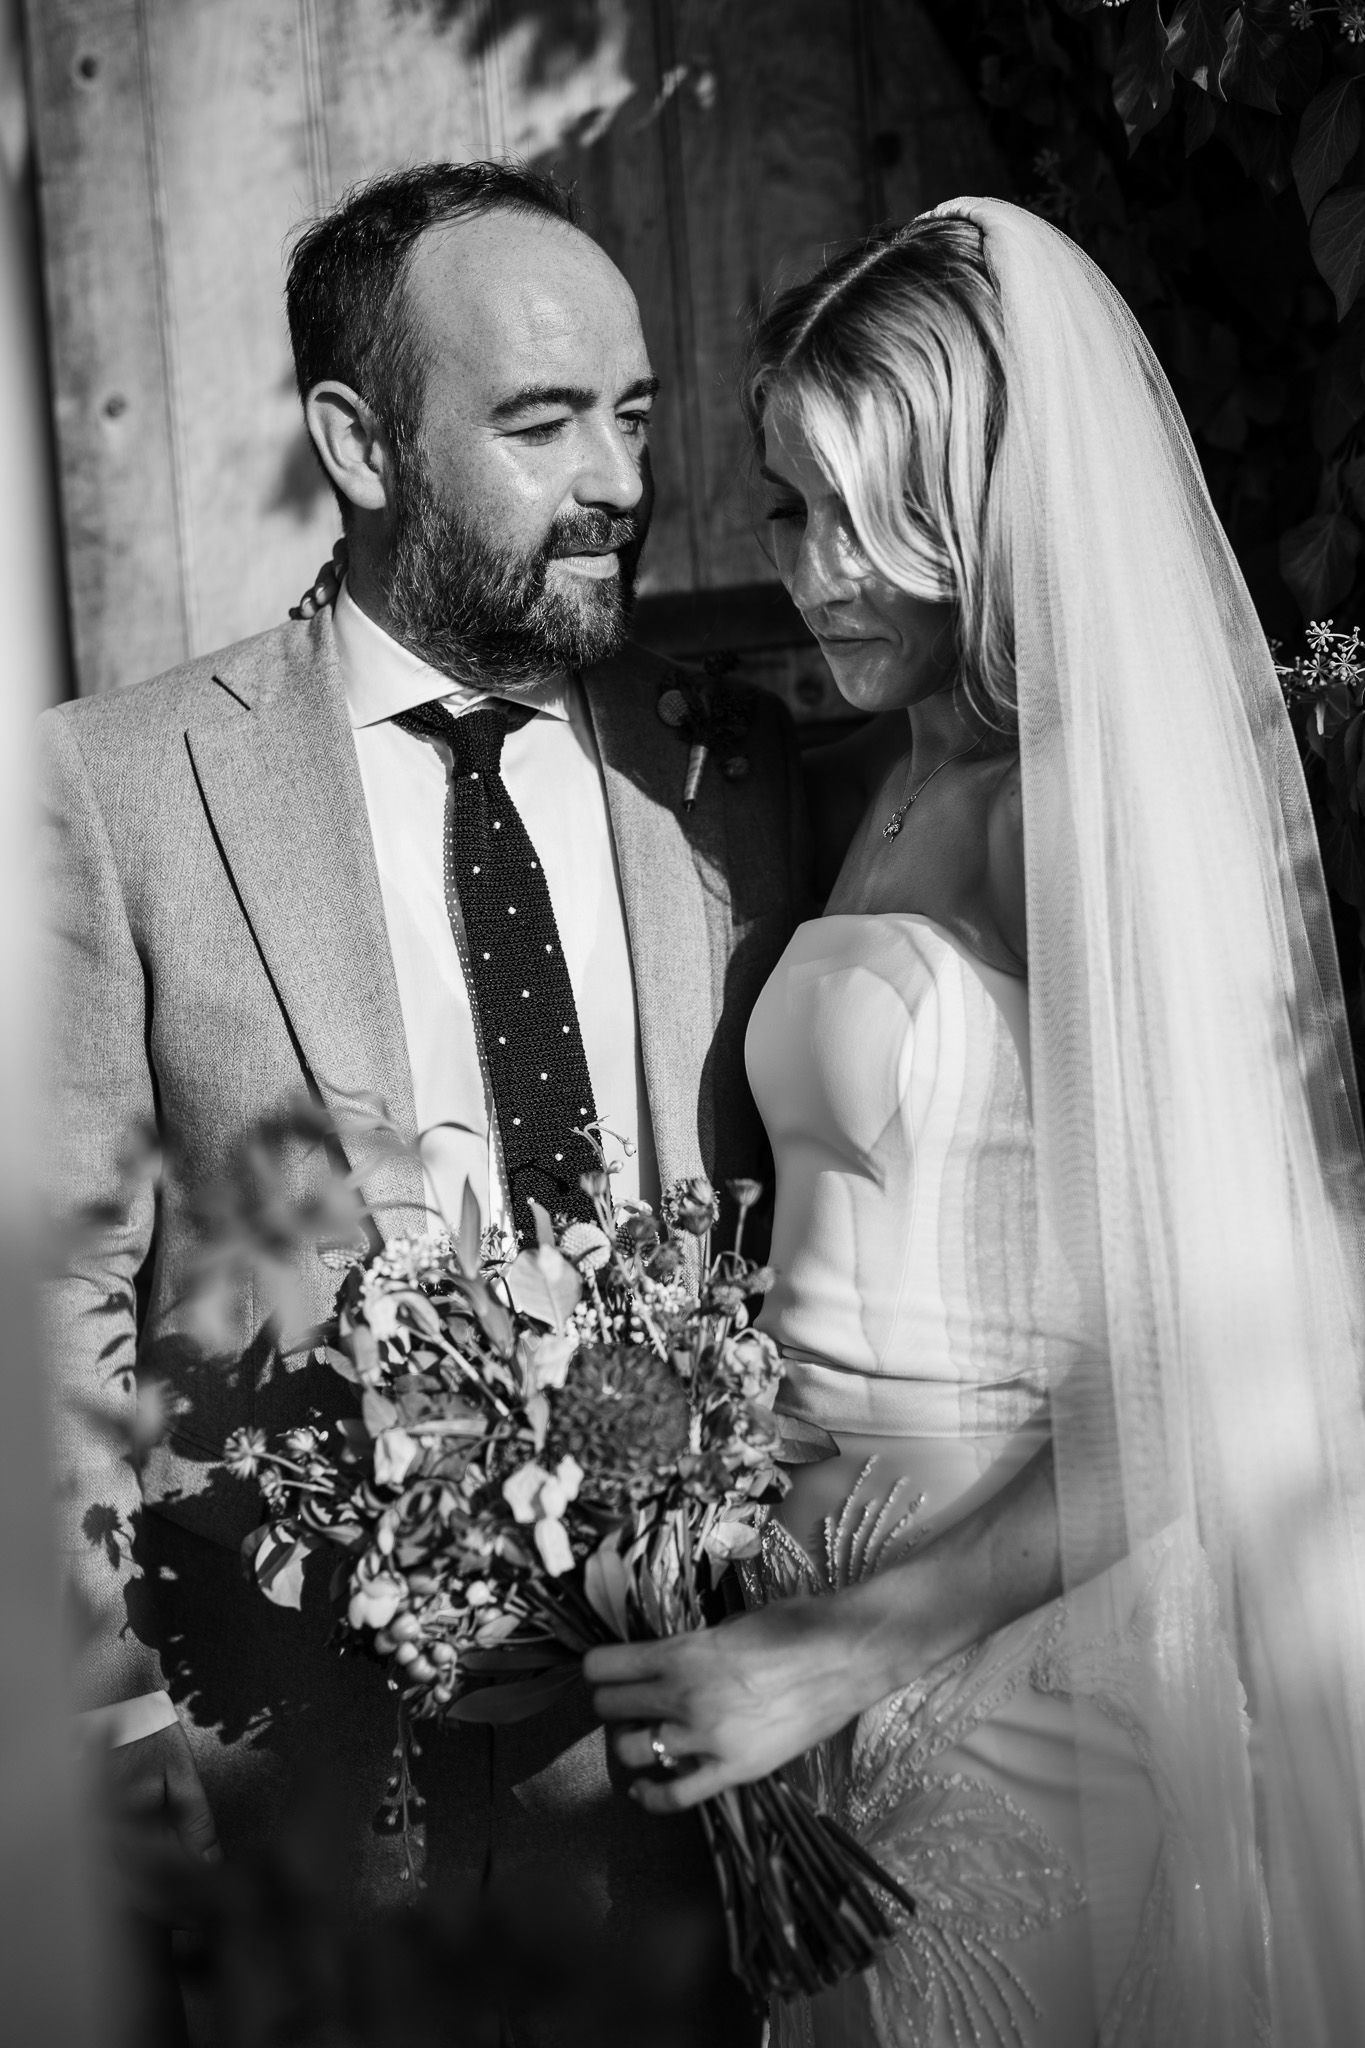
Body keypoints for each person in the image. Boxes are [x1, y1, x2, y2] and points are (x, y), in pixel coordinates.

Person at [38, 159, 809, 2044]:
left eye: (632, 415)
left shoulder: (721, 784)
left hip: (705, 1774)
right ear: (360, 444)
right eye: (541, 424)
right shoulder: (112, 787)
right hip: (308, 1799)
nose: (618, 478)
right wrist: (134, 1716)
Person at [585, 202, 1365, 2045]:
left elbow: (1221, 1352)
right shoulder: (865, 776)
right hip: (804, 1631)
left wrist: (850, 1645)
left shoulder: (1068, 814)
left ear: (992, 500)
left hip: (1016, 1649)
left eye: (870, 513)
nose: (816, 571)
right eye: (788, 505)